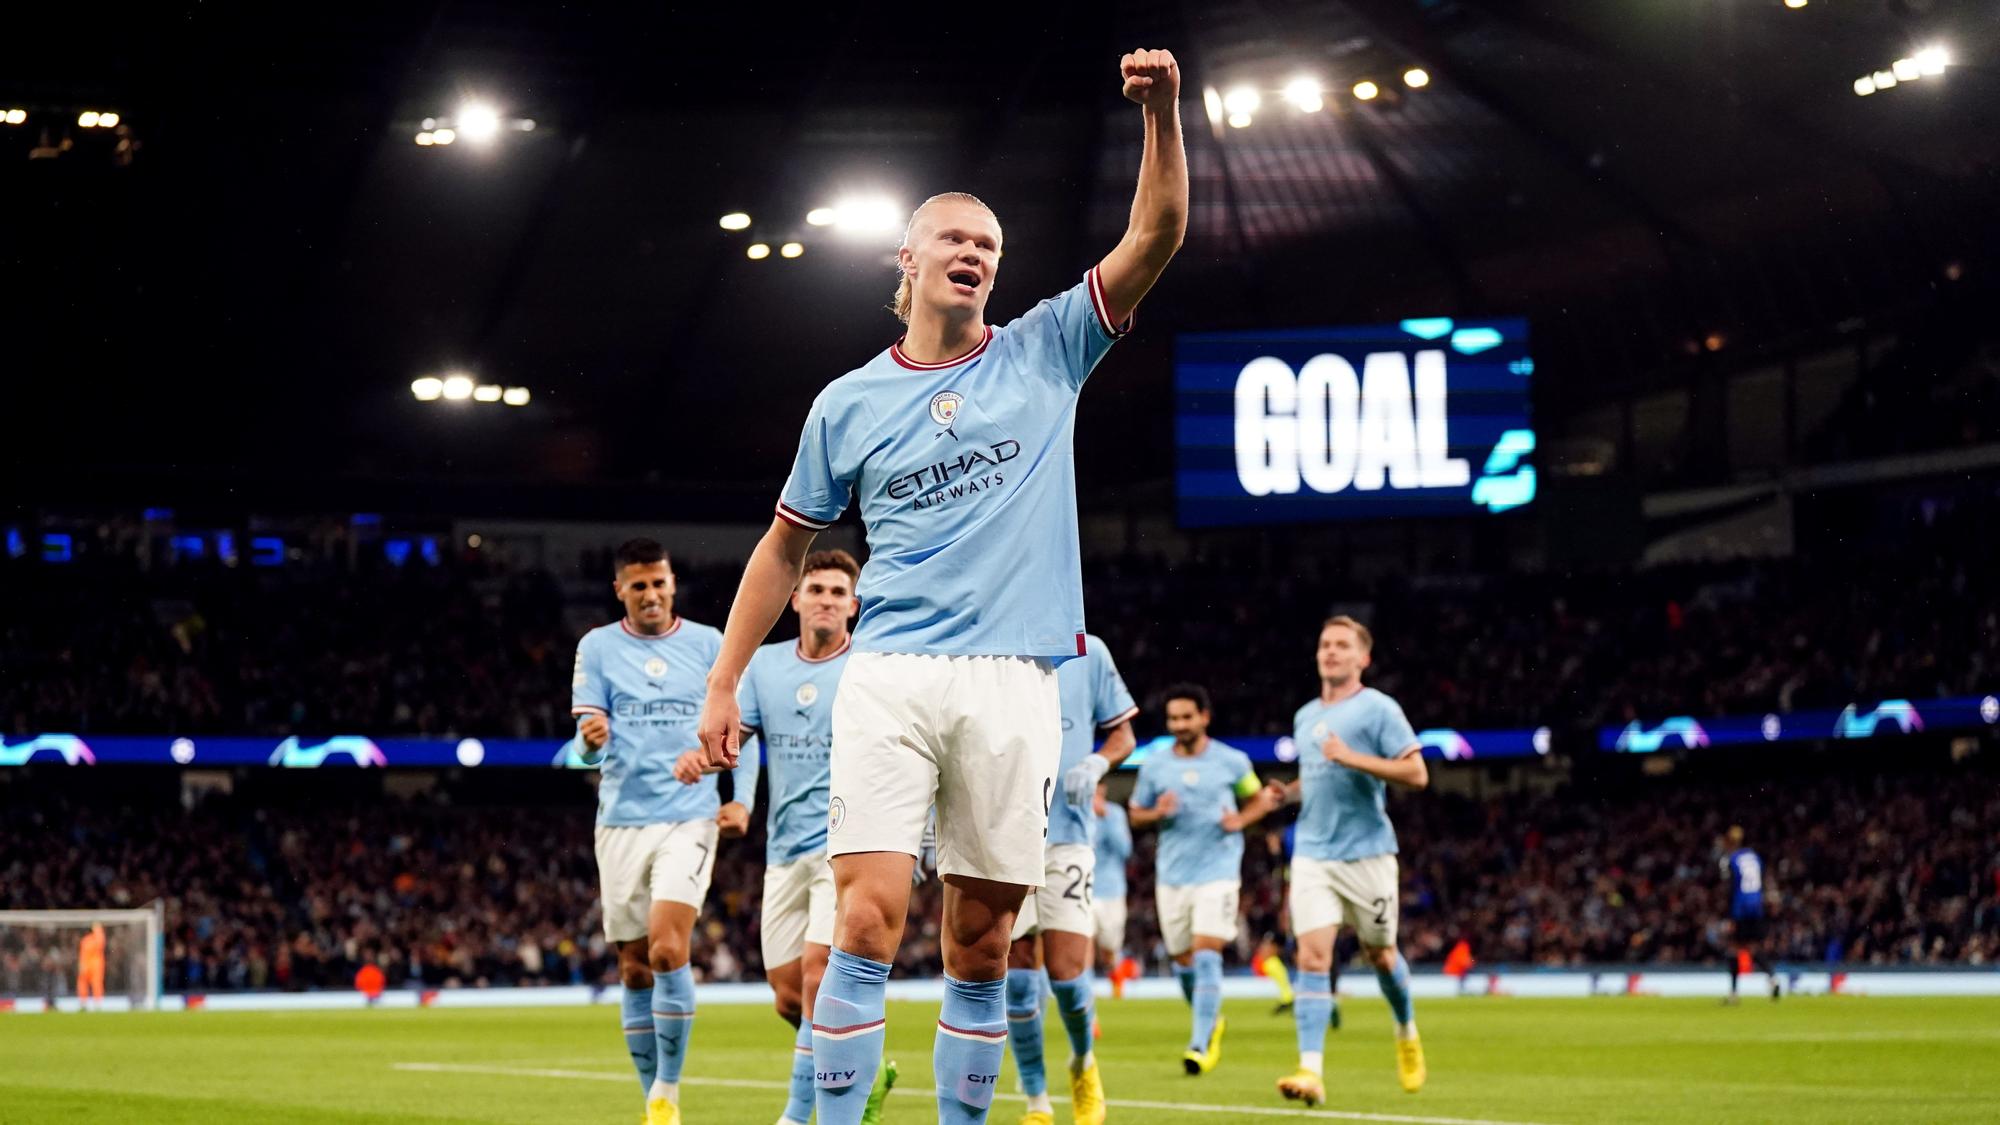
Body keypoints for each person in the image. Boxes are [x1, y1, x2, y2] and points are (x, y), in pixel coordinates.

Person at [694, 47, 1186, 1125]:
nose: (973, 255)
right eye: (954, 239)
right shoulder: (845, 404)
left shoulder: (1048, 350)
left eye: (988, 247)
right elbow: (782, 551)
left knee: (978, 942)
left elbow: (1152, 239)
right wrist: (725, 683)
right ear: (904, 259)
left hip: (1014, 679)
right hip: (893, 671)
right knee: (865, 921)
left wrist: (1163, 115)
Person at [675, 549, 901, 1125]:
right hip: (785, 849)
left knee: (816, 977)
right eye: (815, 589)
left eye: (837, 592)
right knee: (788, 995)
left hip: (849, 845)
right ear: (794, 599)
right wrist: (702, 761)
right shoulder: (767, 667)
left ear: (854, 605)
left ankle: (800, 1116)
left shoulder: (872, 666)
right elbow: (738, 735)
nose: (826, 600)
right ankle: (863, 1074)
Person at [573, 538, 757, 1125]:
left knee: (667, 947)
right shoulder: (597, 648)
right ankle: (649, 1092)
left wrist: (735, 793)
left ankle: (668, 1094)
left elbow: (741, 733)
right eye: (638, 585)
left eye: (659, 583)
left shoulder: (710, 646)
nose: (650, 594)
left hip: (689, 815)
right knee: (632, 967)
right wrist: (587, 744)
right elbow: (581, 756)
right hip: (621, 821)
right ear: (620, 590)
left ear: (673, 584)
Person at [1272, 616, 1429, 1106]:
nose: (1331, 652)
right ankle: (1311, 1070)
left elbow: (1416, 773)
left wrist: (1352, 758)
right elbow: (1317, 774)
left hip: (1367, 855)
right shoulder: (1304, 716)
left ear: (1364, 657)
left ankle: (1405, 1029)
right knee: (1311, 957)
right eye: (1325, 644)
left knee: (1381, 954)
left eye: (1343, 645)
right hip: (1314, 855)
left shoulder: (1379, 709)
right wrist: (1288, 792)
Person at [1003, 634, 1138, 1125]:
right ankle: (1037, 1101)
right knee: (1017, 980)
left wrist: (1099, 761)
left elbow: (1123, 734)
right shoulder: (992, 645)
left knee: (1067, 977)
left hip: (1067, 836)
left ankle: (1083, 1064)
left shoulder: (1090, 650)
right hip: (1004, 836)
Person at [1128, 683, 1279, 1076]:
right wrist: (1155, 812)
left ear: (1204, 717)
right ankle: (1210, 1021)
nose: (1179, 724)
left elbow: (1259, 797)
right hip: (1172, 876)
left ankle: (1198, 1043)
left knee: (1207, 951)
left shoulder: (1231, 761)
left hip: (1218, 872)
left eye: (1186, 717)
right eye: (1173, 718)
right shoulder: (1155, 765)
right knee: (1182, 959)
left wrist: (1242, 820)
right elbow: (1135, 812)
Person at [1721, 825, 1781, 1004]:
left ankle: (1733, 994)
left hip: (1741, 907)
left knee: (1733, 948)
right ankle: (1773, 978)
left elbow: (1732, 889)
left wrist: (1730, 916)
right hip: (1757, 906)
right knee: (1753, 948)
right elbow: (1761, 880)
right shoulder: (1755, 857)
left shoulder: (1731, 860)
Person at [1089, 783, 1135, 999]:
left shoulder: (1115, 814)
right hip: (1081, 887)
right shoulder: (1075, 811)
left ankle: (1115, 974)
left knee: (1109, 948)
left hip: (1111, 890)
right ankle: (1084, 999)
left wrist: (1105, 817)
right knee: (1083, 946)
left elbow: (1124, 850)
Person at [76, 923, 105, 1011]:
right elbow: (82, 954)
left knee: (96, 984)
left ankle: (97, 1003)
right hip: (87, 964)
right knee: (82, 984)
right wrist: (81, 964)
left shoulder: (97, 938)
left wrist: (97, 929)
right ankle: (83, 1003)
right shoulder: (85, 940)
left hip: (96, 965)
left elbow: (100, 943)